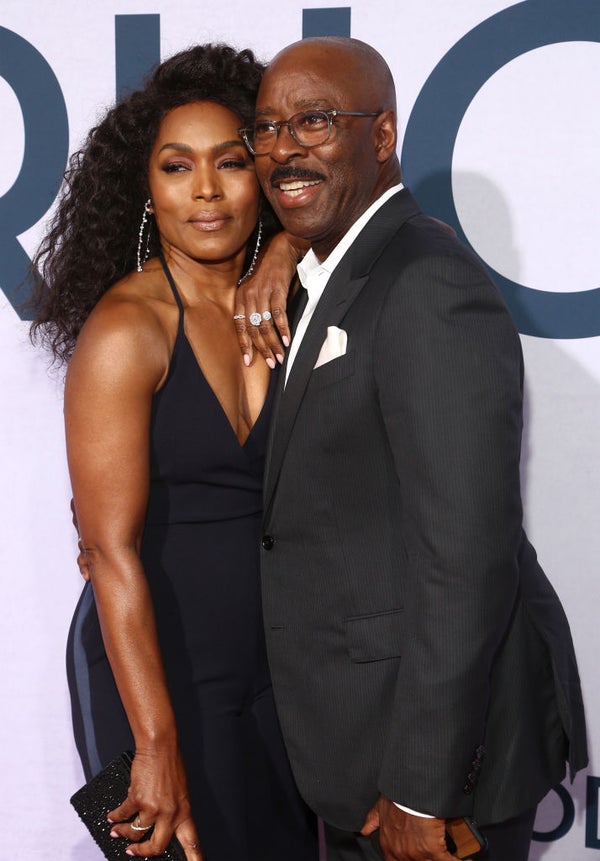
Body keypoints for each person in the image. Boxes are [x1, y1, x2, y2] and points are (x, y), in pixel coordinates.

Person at [235, 36, 589, 861]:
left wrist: (421, 787)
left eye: (315, 121)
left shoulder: (428, 283)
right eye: (268, 128)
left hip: (430, 772)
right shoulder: (337, 271)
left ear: (383, 135)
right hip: (359, 746)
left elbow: (465, 558)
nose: (284, 147)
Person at [30, 44, 318, 861]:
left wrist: (291, 246)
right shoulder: (126, 328)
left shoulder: (301, 303)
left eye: (231, 161)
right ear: (146, 190)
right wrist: (154, 745)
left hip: (274, 673)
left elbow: (388, 225)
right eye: (176, 166)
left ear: (265, 172)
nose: (206, 191)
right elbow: (107, 551)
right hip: (141, 677)